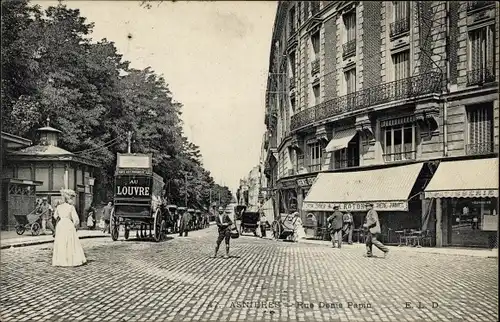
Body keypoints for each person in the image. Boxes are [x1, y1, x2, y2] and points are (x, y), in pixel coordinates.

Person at [52, 189, 87, 267]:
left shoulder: (59, 207)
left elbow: (55, 216)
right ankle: (71, 260)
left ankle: (61, 260)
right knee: (70, 241)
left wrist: (61, 218)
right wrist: (74, 225)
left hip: (61, 225)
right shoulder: (71, 207)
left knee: (61, 242)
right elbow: (76, 220)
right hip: (68, 224)